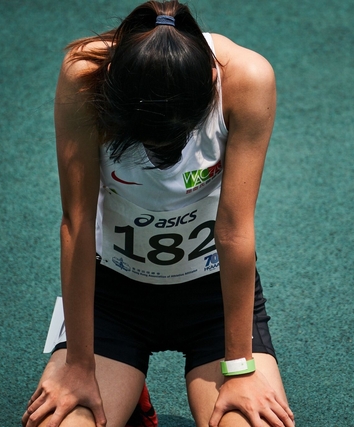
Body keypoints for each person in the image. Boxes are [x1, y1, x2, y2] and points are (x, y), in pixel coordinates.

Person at [21, 1, 294, 427]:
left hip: (212, 297)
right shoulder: (86, 76)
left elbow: (235, 231)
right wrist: (79, 365)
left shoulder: (246, 78)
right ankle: (127, 398)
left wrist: (239, 368)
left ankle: (126, 395)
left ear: (207, 84)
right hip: (113, 296)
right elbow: (76, 225)